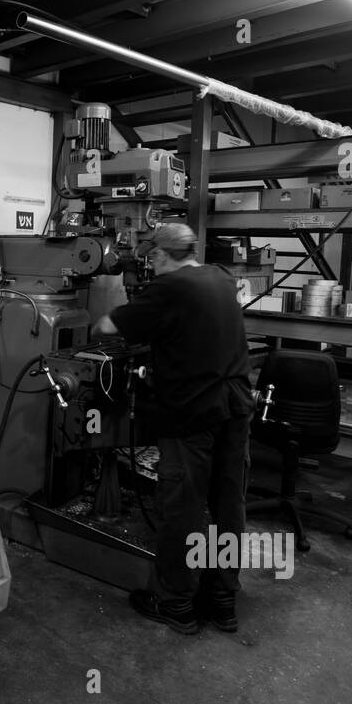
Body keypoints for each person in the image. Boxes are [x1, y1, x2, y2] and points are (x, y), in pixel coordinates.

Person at [93, 223, 252, 634]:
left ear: (162, 256)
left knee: (181, 506)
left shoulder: (170, 288)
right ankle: (222, 599)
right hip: (235, 409)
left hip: (193, 413)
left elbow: (107, 328)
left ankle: (176, 603)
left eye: (151, 257)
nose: (149, 264)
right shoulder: (220, 276)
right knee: (227, 503)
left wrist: (103, 315)